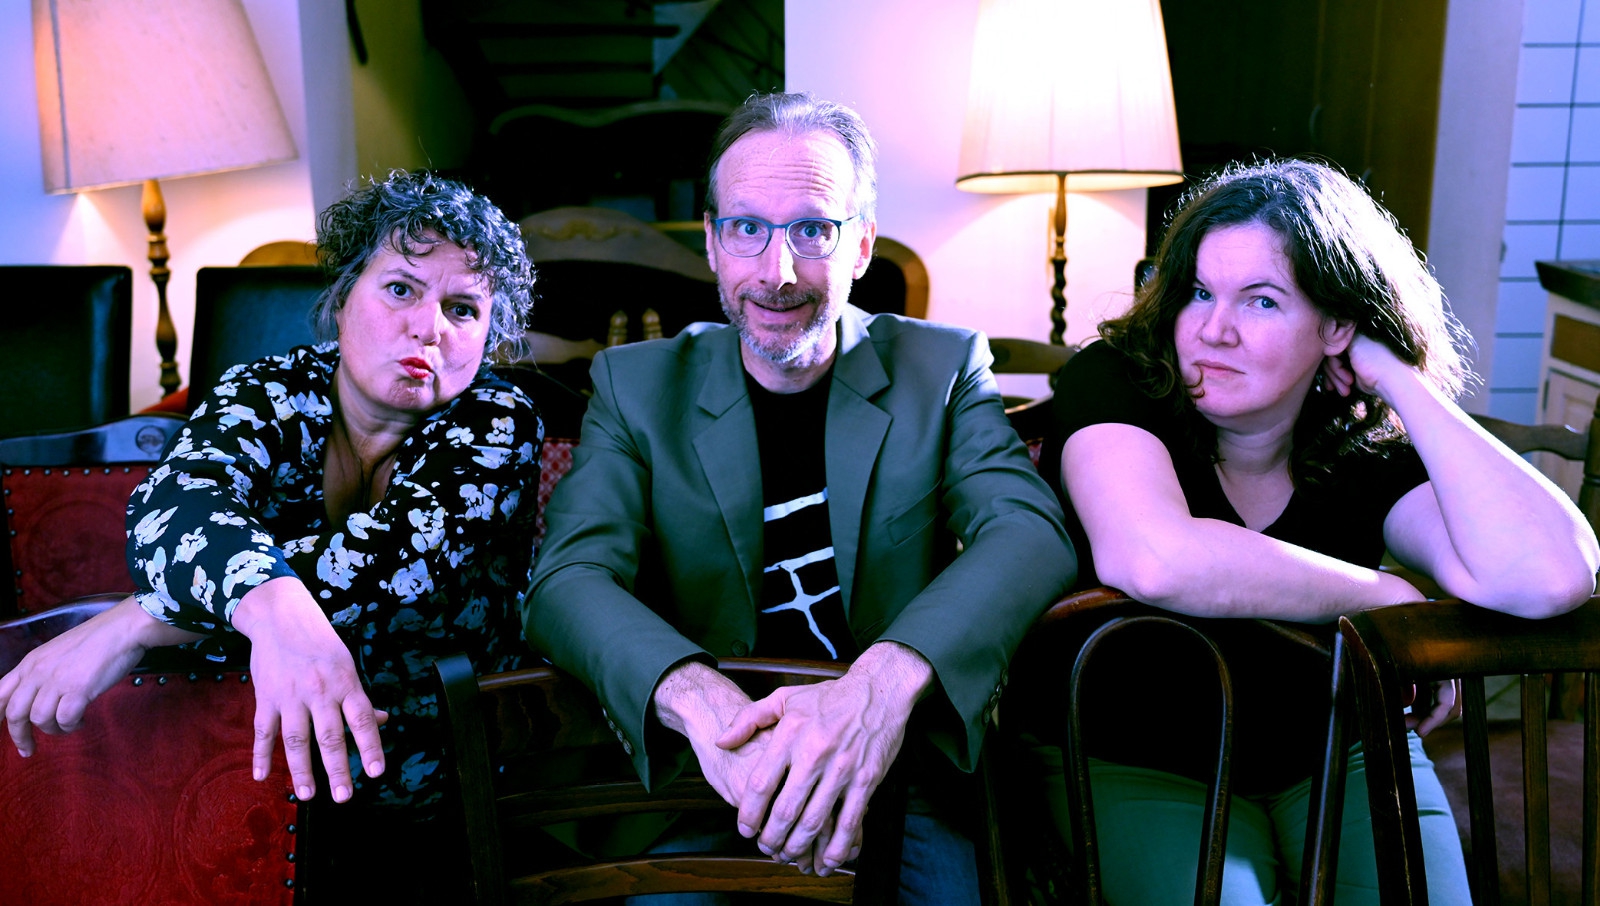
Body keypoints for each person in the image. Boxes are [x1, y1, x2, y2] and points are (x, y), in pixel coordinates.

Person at [524, 91, 1075, 904]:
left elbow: (1028, 533)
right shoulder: (636, 385)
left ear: (862, 245)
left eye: (813, 230)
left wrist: (880, 687)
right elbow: (567, 580)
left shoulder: (942, 368)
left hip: (896, 766)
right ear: (712, 242)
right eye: (747, 228)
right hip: (704, 769)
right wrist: (697, 700)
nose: (777, 274)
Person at [1031, 159, 1600, 904]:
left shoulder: (1362, 436)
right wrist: (1387, 598)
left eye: (1262, 301)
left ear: (1336, 325)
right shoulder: (1119, 380)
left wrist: (1400, 381)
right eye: (1198, 292)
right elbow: (1154, 557)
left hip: (1339, 748)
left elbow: (1551, 577)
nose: (1213, 331)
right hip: (1133, 754)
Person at [0, 170, 542, 900]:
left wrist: (138, 619)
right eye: (401, 289)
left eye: (463, 309)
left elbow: (384, 566)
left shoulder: (497, 424)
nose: (430, 328)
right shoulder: (265, 391)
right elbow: (172, 512)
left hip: (437, 791)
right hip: (237, 771)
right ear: (343, 297)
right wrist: (275, 606)